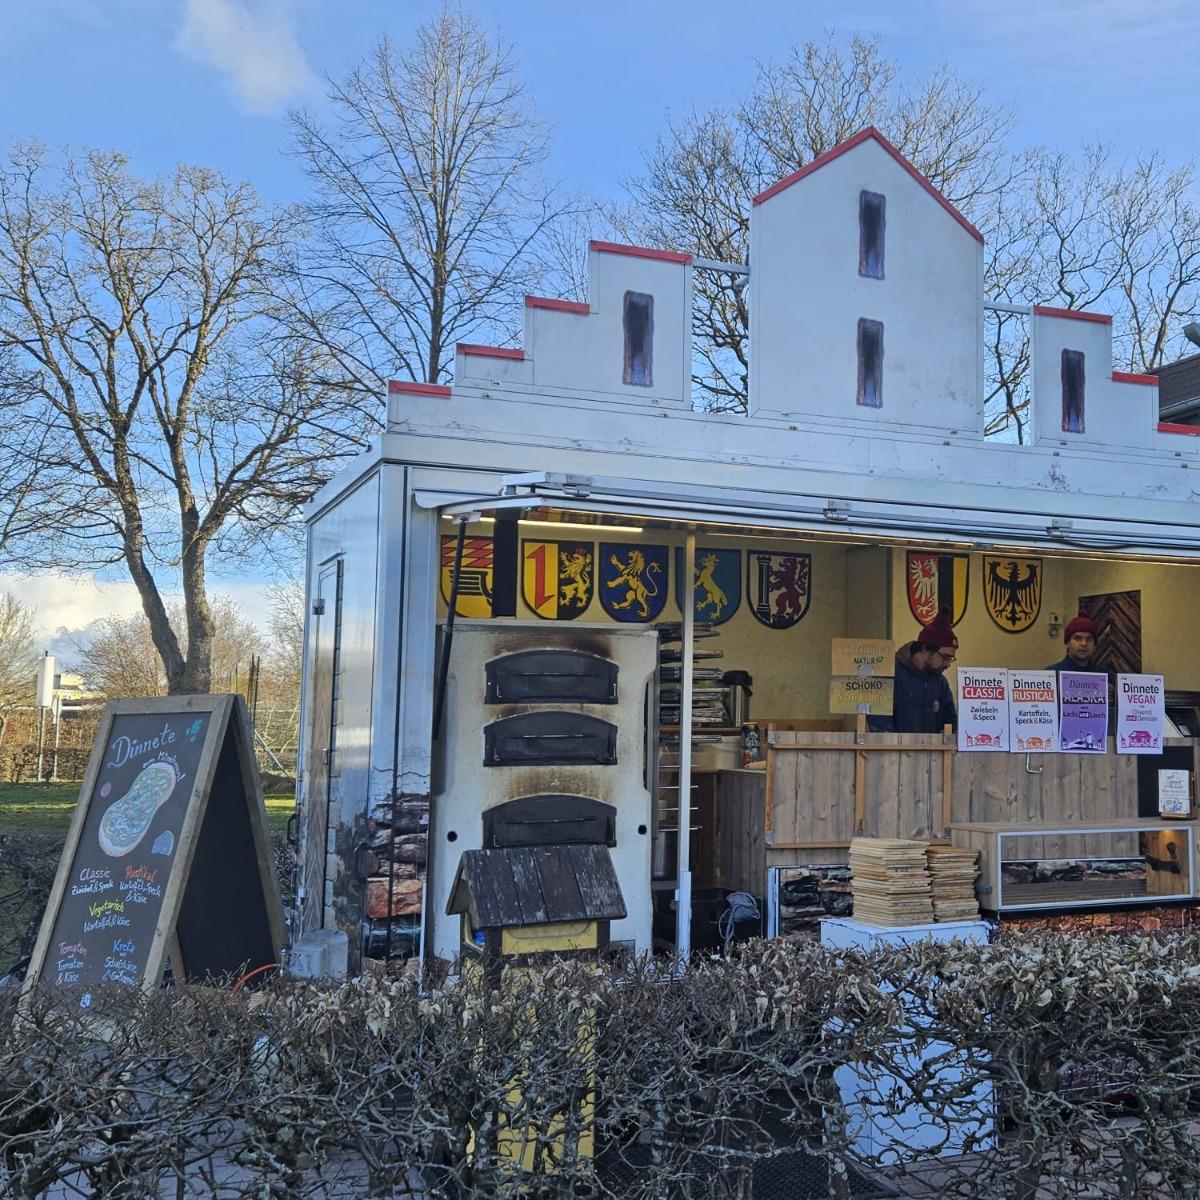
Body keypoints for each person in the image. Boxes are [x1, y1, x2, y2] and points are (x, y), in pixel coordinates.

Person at [892, 604, 959, 733]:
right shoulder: (892, 674)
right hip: (891, 751)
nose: (948, 664)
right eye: (945, 657)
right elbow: (879, 722)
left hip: (933, 752)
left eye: (951, 659)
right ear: (926, 648)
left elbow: (950, 723)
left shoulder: (941, 683)